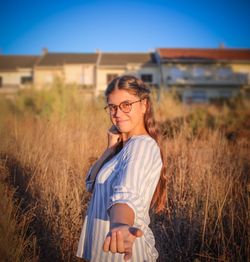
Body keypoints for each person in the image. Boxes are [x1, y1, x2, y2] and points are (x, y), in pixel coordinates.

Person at [76, 75, 167, 262]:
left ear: (144, 105)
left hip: (123, 254)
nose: (118, 113)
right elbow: (90, 184)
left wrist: (119, 224)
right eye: (112, 107)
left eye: (126, 104)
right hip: (106, 250)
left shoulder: (142, 146)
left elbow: (126, 193)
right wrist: (109, 149)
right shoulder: (121, 148)